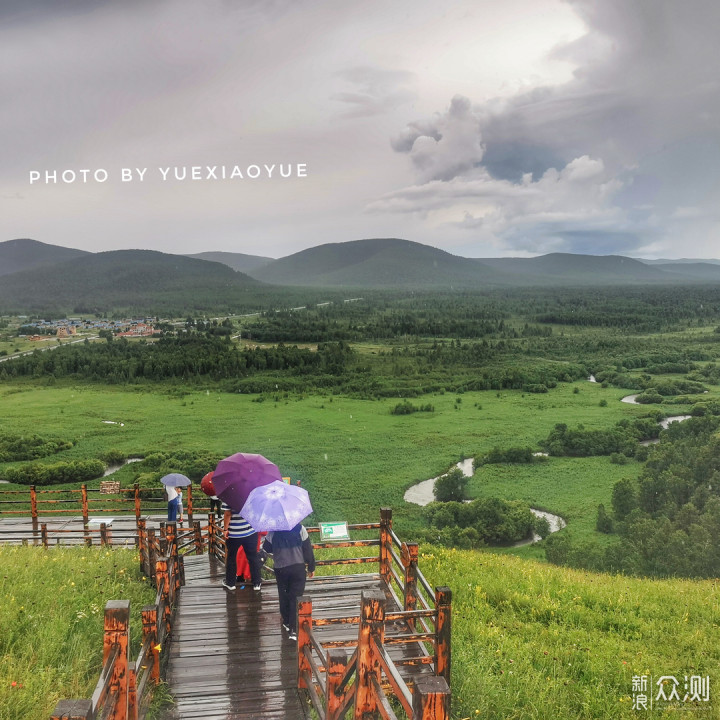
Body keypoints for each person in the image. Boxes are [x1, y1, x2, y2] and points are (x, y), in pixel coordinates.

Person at [263, 524, 315, 641]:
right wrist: (311, 567)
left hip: (281, 568)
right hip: (298, 567)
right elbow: (307, 550)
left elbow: (267, 548)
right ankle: (293, 629)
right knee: (295, 597)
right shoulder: (300, 528)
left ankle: (286, 621)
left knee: (283, 594)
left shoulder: (273, 531)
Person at [222, 502, 263, 592]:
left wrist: (225, 529)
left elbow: (228, 513)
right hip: (250, 531)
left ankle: (231, 583)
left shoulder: (228, 495)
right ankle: (256, 583)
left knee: (231, 558)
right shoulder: (250, 493)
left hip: (234, 533)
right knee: (253, 557)